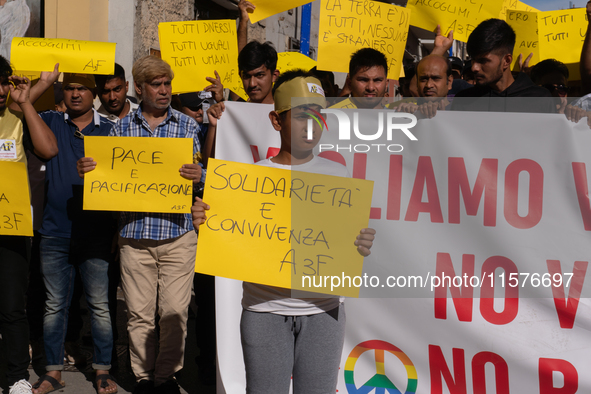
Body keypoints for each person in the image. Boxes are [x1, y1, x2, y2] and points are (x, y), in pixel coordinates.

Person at [192, 70, 375, 393]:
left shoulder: (338, 174)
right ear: (277, 121)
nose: (311, 126)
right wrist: (206, 222)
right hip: (265, 312)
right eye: (302, 116)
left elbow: (345, 244)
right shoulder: (253, 179)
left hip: (324, 313)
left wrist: (361, 243)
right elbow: (232, 237)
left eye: (318, 117)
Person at [78, 55, 202, 394]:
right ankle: (145, 378)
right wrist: (91, 170)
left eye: (168, 84)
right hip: (135, 236)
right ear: (140, 88)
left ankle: (167, 377)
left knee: (175, 311)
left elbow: (202, 178)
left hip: (177, 233)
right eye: (157, 85)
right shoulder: (120, 129)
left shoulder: (187, 126)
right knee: (139, 314)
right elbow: (107, 175)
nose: (164, 91)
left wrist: (198, 175)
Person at [26, 72, 118, 394]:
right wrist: (42, 82)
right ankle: (53, 372)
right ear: (61, 92)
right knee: (54, 305)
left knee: (100, 305)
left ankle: (102, 370)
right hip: (54, 230)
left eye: (82, 88)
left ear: (94, 94)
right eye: (69, 88)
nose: (75, 94)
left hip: (96, 232)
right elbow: (17, 105)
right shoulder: (49, 120)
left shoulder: (112, 131)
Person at [0, 56, 58, 394]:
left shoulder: (18, 120)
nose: (0, 90)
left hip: (11, 228)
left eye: (4, 82)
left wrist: (26, 105)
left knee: (11, 305)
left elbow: (49, 150)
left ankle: (16, 377)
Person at [451, 18, 554, 113]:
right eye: (473, 60)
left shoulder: (540, 99)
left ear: (507, 61)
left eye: (483, 61)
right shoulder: (464, 100)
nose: (474, 68)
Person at [204, 41, 279, 165]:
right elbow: (209, 164)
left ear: (274, 75)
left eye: (259, 75)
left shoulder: (288, 115)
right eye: (246, 76)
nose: (252, 83)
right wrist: (213, 125)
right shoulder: (229, 114)